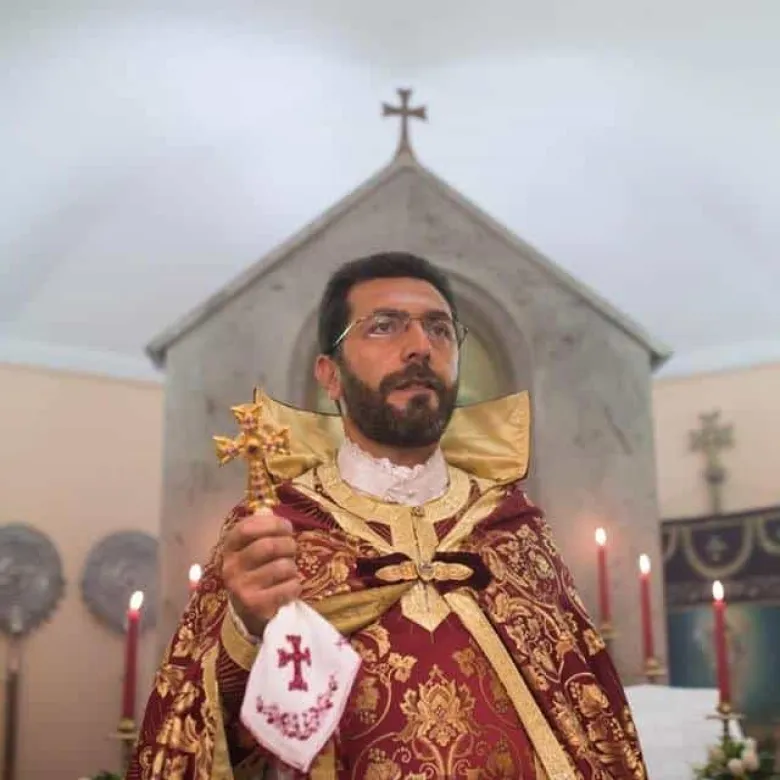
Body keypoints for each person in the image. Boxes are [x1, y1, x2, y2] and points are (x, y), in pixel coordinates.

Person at [127, 252, 648, 779]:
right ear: (330, 375)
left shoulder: (513, 527)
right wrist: (245, 632)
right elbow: (191, 736)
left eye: (440, 329)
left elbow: (594, 724)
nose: (421, 345)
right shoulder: (273, 532)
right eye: (384, 326)